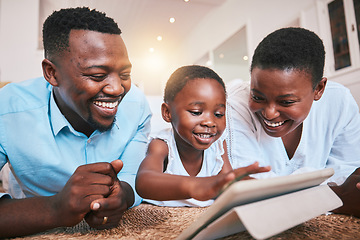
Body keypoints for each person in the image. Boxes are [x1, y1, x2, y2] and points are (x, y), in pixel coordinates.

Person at [0, 7, 152, 238]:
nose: (117, 89)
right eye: (97, 76)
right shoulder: (8, 110)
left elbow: (133, 176)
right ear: (52, 73)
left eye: (124, 75)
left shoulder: (137, 105)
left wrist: (123, 196)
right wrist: (55, 209)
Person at [226, 27, 360, 217]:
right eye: (258, 97)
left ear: (319, 89)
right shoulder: (233, 108)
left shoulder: (340, 102)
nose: (270, 113)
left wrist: (339, 190)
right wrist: (336, 197)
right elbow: (250, 191)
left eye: (286, 102)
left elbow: (347, 172)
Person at [135, 65, 270, 207]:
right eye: (196, 112)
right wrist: (195, 186)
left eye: (218, 114)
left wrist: (246, 187)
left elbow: (227, 183)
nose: (210, 122)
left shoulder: (218, 145)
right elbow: (144, 181)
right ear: (167, 113)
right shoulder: (162, 145)